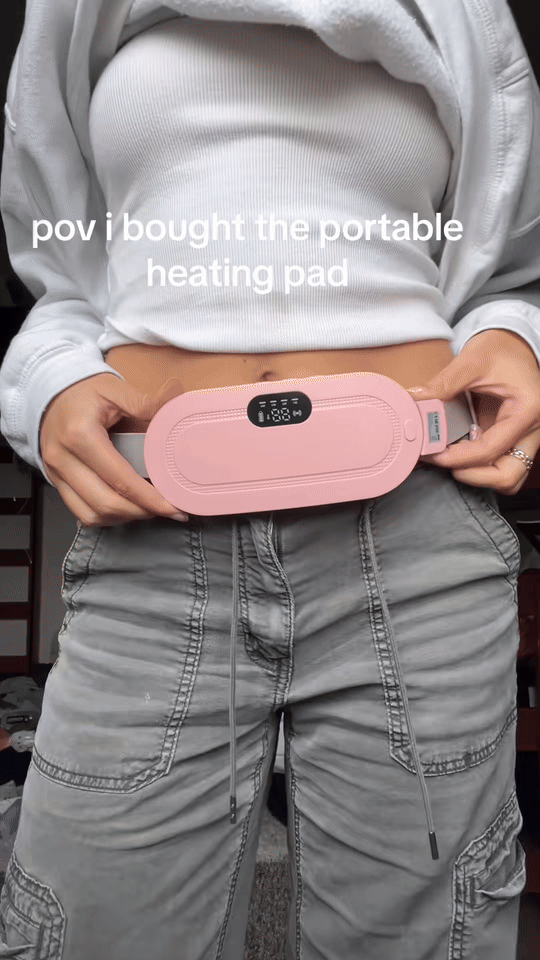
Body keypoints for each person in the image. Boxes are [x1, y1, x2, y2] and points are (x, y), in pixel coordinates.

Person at [1, 1, 540, 957]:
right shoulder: (76, 11)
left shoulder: (461, 10)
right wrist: (47, 383)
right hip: (152, 538)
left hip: (415, 538)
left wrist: (516, 336)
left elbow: (505, 271)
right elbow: (63, 280)